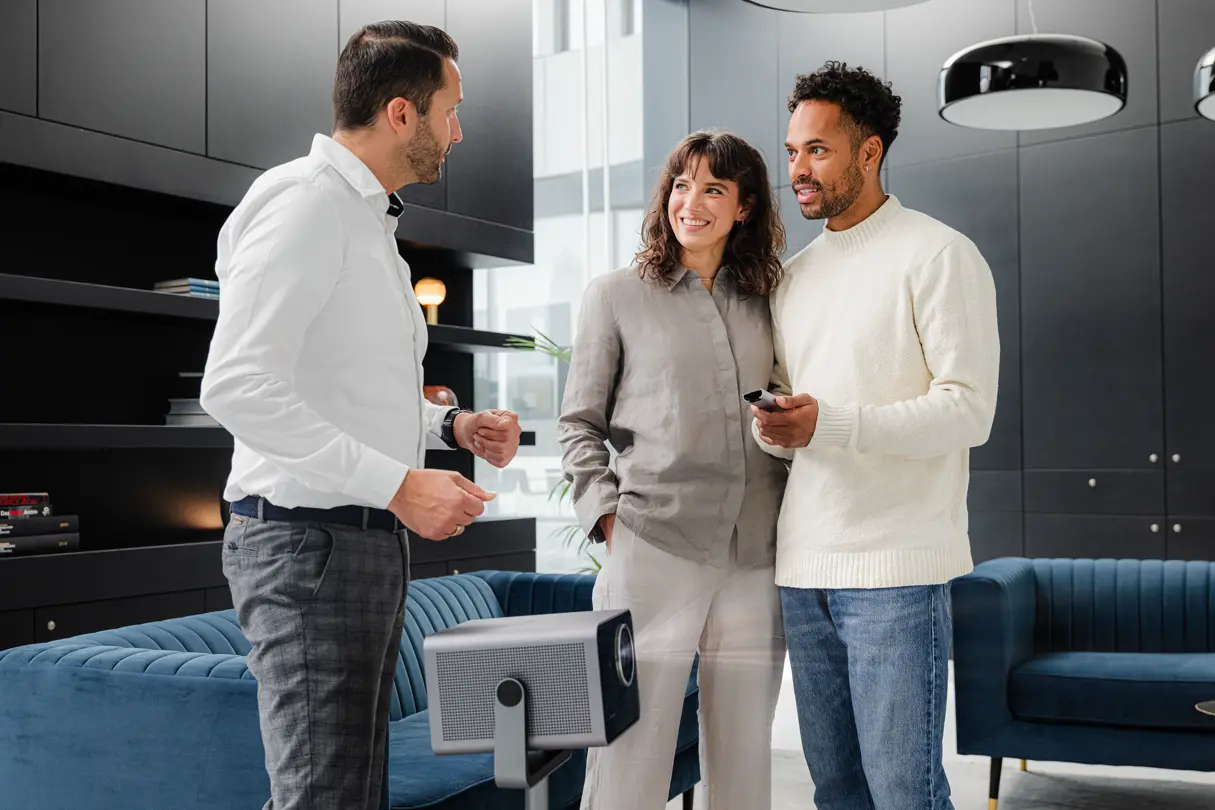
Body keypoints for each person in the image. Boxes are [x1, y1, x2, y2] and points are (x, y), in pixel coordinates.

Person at [200, 21, 522, 810]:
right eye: (451, 109)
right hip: (308, 546)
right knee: (324, 797)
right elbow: (237, 385)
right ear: (402, 114)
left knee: (349, 793)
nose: (459, 130)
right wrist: (397, 485)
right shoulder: (306, 204)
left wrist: (449, 430)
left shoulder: (366, 220)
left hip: (355, 543)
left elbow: (343, 385)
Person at [751, 61, 999, 810]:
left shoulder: (938, 254)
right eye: (791, 151)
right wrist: (776, 429)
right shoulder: (790, 278)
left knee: (904, 794)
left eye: (817, 151)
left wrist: (829, 421)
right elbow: (796, 435)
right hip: (803, 569)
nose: (797, 168)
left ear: (868, 152)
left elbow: (966, 411)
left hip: (895, 574)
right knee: (837, 792)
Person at [559, 130, 790, 810]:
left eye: (714, 188)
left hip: (754, 554)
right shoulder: (614, 296)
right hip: (652, 546)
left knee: (744, 751)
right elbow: (579, 423)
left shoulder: (768, 299)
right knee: (631, 749)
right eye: (681, 185)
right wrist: (605, 518)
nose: (692, 202)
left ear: (743, 207)